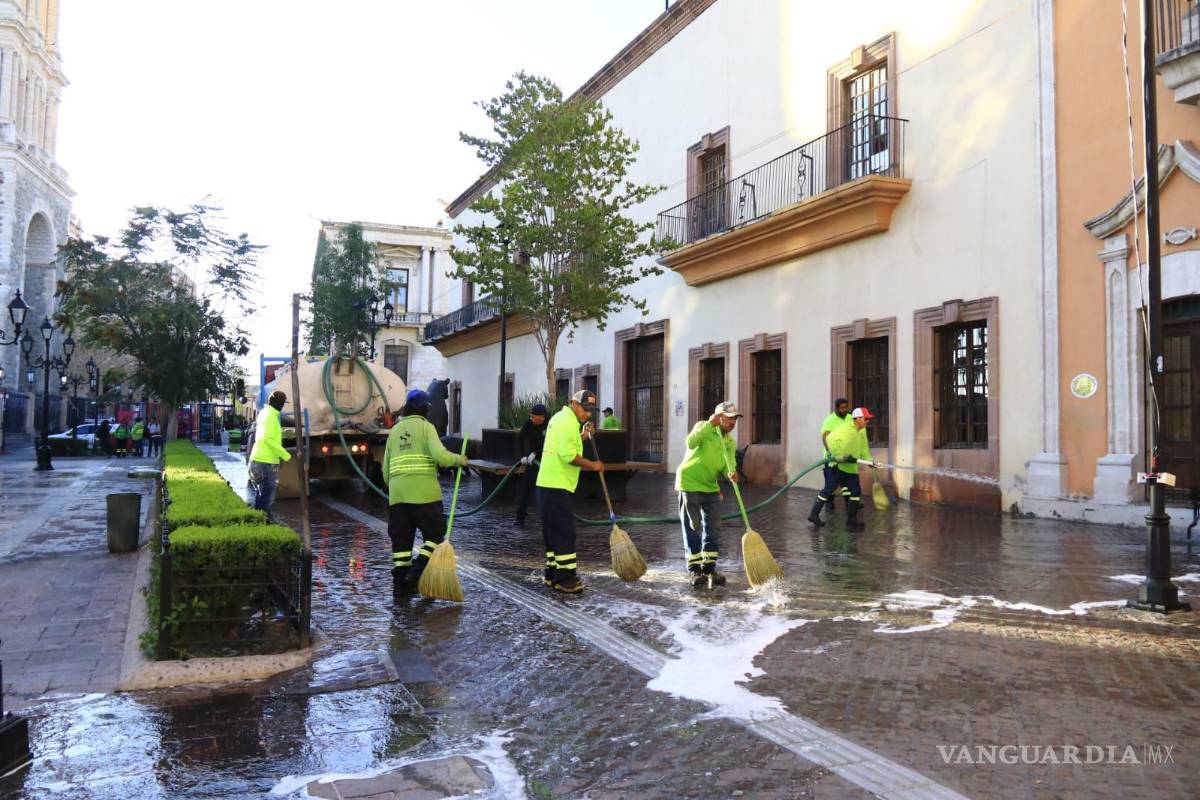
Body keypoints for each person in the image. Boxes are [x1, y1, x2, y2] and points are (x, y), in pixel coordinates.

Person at [383, 388, 469, 595]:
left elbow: (385, 468)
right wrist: (460, 460)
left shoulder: (394, 431)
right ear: (422, 409)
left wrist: (393, 488)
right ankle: (417, 570)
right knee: (435, 533)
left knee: (402, 542)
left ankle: (400, 585)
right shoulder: (426, 428)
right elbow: (440, 455)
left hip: (398, 496)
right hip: (424, 495)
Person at [536, 389, 605, 593]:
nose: (588, 414)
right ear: (574, 404)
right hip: (557, 484)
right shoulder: (567, 422)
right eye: (585, 409)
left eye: (591, 410)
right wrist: (593, 465)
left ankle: (553, 574)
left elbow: (566, 445)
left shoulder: (563, 419)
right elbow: (568, 456)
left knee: (553, 531)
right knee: (564, 531)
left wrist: (583, 436)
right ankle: (566, 578)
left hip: (549, 484)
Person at [676, 401, 741, 588]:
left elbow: (728, 465)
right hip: (690, 483)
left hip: (710, 487)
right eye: (729, 419)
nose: (733, 423)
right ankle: (694, 570)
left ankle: (709, 567)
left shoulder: (729, 441)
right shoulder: (703, 427)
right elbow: (690, 442)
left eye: (735, 419)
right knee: (693, 527)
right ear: (719, 417)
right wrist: (709, 424)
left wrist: (731, 474)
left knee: (713, 528)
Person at [810, 407, 877, 531]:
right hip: (837, 466)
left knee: (856, 492)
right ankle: (813, 515)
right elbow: (829, 440)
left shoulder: (861, 432)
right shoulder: (844, 429)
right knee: (829, 490)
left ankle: (851, 521)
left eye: (868, 419)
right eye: (866, 419)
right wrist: (841, 456)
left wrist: (869, 461)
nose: (868, 422)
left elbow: (864, 449)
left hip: (851, 468)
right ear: (858, 419)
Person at [248, 390, 292, 520]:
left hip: (259, 460)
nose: (283, 406)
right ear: (279, 403)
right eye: (282, 403)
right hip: (265, 463)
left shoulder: (265, 413)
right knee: (267, 499)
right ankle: (263, 524)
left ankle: (258, 522)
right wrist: (285, 455)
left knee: (261, 496)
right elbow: (265, 438)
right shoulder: (270, 416)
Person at [818, 398, 853, 516]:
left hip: (845, 456)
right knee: (831, 482)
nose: (844, 410)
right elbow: (825, 436)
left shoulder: (849, 418)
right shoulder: (830, 420)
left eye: (846, 407)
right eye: (842, 408)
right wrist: (831, 453)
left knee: (847, 481)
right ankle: (828, 502)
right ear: (836, 408)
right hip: (832, 458)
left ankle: (850, 504)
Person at [514, 403, 548, 525]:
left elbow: (549, 442)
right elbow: (520, 439)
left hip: (548, 462)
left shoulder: (550, 424)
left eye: (534, 417)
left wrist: (536, 452)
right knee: (526, 489)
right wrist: (522, 455)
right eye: (531, 416)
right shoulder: (529, 423)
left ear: (541, 418)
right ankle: (520, 519)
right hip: (533, 462)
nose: (531, 418)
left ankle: (549, 520)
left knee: (547, 492)